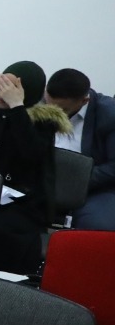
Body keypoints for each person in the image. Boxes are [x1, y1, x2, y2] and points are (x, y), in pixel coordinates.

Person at [0, 61, 69, 272]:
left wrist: (17, 108)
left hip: (19, 200)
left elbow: (32, 156)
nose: (2, 93)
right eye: (1, 85)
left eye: (11, 89)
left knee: (3, 232)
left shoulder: (42, 122)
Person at [46, 68, 115, 230]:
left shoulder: (110, 115)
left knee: (98, 226)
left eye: (62, 110)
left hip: (93, 189)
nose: (54, 114)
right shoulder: (39, 105)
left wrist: (75, 181)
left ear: (84, 101)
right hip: (45, 183)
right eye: (50, 107)